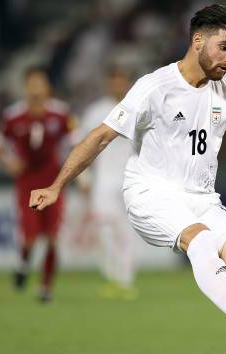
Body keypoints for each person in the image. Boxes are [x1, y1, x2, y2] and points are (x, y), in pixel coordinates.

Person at [28, 4, 226, 354]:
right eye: (223, 47)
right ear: (197, 40)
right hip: (150, 193)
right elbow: (100, 137)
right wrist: (56, 186)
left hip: (201, 197)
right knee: (200, 242)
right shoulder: (156, 87)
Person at [0, 66, 73, 303]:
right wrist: (8, 162)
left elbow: (74, 143)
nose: (36, 89)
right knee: (30, 237)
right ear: (25, 88)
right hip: (27, 183)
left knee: (52, 238)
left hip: (52, 183)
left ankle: (45, 288)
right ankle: (23, 263)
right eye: (32, 84)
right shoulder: (13, 116)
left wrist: (79, 176)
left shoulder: (60, 114)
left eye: (40, 83)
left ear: (47, 87)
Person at [76, 67, 138, 299]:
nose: (117, 85)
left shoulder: (139, 108)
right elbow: (83, 144)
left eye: (121, 80)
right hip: (103, 180)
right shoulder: (96, 112)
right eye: (114, 80)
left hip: (133, 180)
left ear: (128, 83)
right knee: (104, 230)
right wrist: (83, 177)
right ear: (108, 83)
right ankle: (112, 276)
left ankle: (125, 280)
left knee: (125, 231)